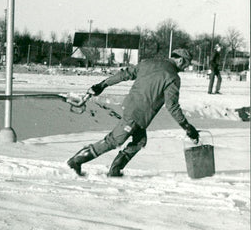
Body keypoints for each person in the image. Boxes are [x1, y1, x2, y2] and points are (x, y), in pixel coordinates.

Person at [67, 48, 199, 177]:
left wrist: (102, 85)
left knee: (140, 141)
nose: (186, 68)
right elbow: (172, 106)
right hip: (138, 114)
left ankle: (115, 170)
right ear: (181, 60)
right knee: (114, 141)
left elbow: (124, 74)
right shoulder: (173, 77)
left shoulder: (148, 63)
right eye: (186, 64)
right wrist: (187, 126)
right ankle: (77, 161)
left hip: (130, 108)